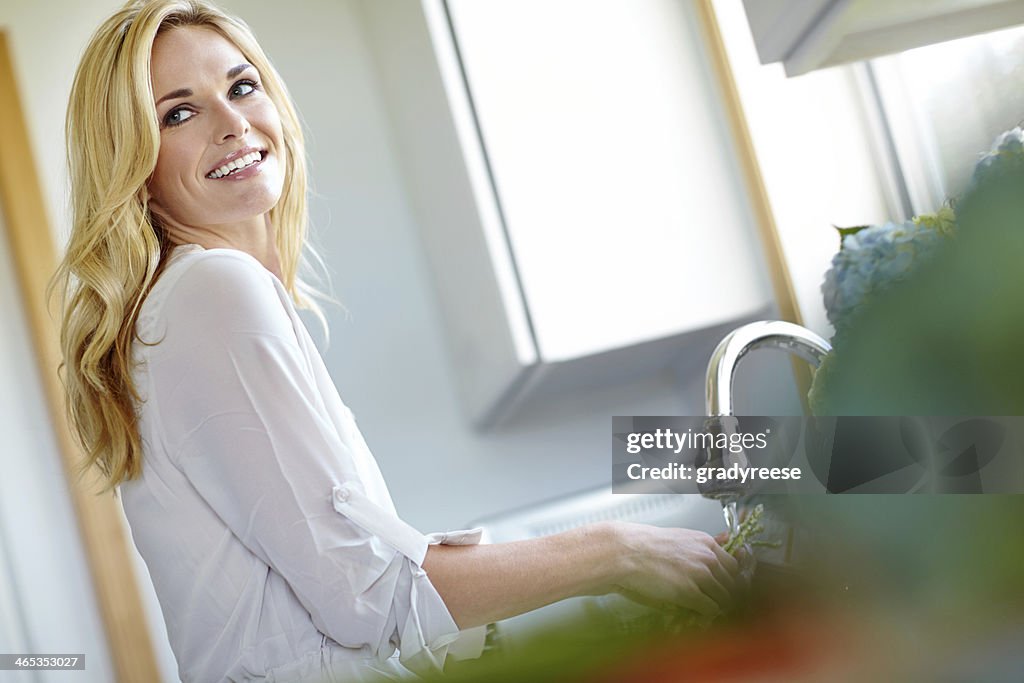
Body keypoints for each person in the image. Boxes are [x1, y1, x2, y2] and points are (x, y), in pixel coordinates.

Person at [52, 1, 748, 681]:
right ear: (133, 164)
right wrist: (616, 548)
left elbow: (344, 594)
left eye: (241, 86)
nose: (233, 123)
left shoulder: (187, 304)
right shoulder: (213, 294)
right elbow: (368, 601)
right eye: (180, 112)